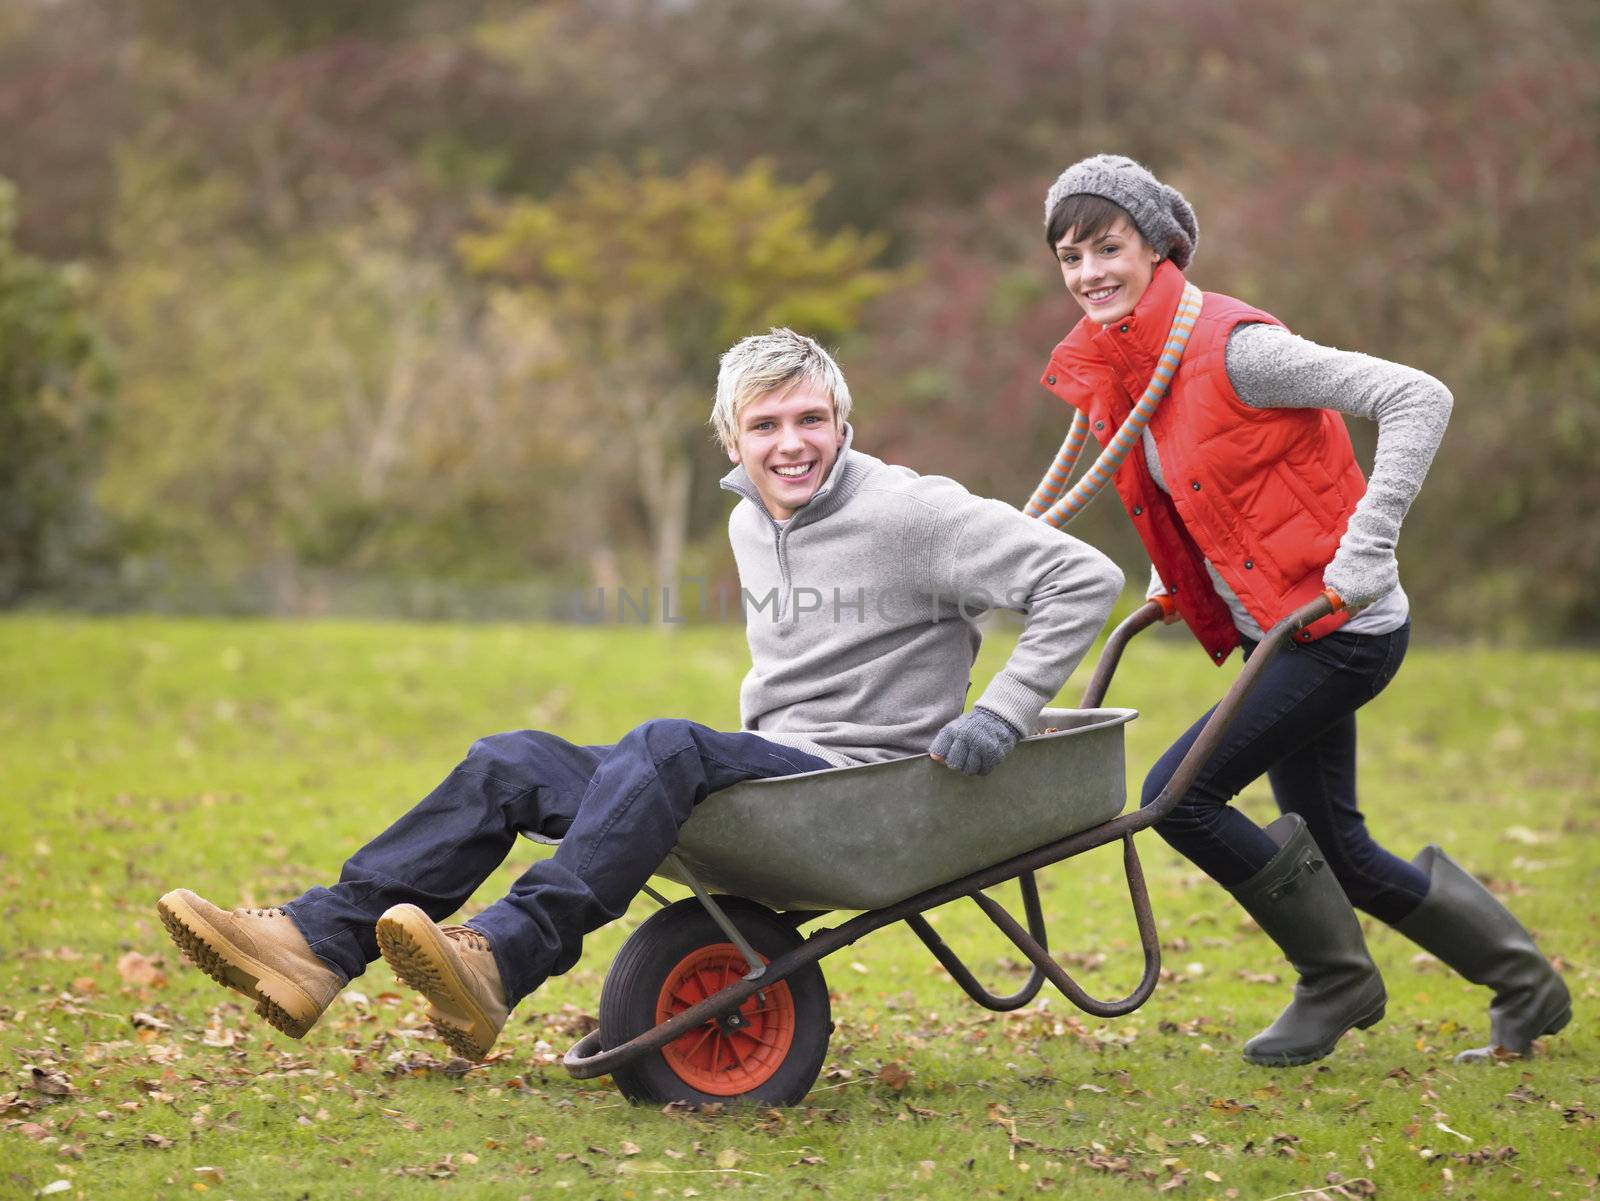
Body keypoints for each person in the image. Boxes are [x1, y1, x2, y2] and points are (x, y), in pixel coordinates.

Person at [158, 328, 1123, 1061]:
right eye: (766, 426)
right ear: (730, 439)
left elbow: (1081, 579)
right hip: (779, 788)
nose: (793, 445)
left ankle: (505, 953)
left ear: (844, 421)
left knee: (669, 744)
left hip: (857, 790)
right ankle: (317, 947)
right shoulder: (756, 518)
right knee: (510, 761)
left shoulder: (912, 512)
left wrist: (999, 712)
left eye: (812, 420)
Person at [1028, 155, 1570, 1067]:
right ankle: (1526, 985)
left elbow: (1416, 395)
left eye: (1107, 247)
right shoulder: (1130, 364)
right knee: (1337, 846)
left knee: (1177, 796)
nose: (1089, 273)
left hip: (1341, 628)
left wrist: (1366, 546)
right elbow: (1212, 488)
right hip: (1281, 625)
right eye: (1070, 256)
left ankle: (1335, 978)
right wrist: (1184, 580)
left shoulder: (1236, 348)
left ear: (1160, 246)